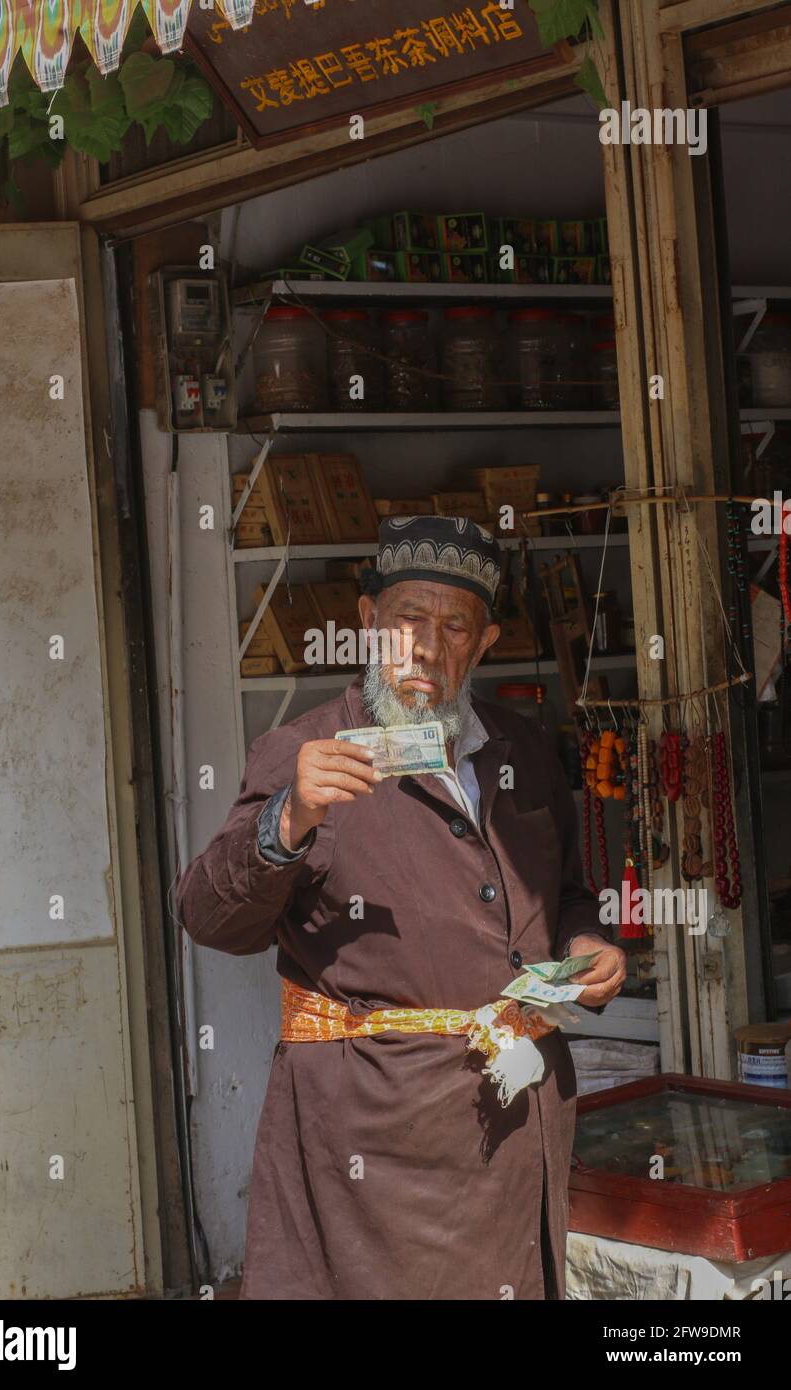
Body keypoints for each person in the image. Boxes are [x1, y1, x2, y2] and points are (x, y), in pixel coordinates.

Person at [178, 514, 626, 1300]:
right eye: (407, 620)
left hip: (516, 1116)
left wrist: (591, 944)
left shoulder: (520, 749)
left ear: (484, 643)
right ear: (367, 623)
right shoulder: (307, 751)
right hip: (376, 1144)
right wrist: (286, 819)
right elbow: (209, 919)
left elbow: (565, 895)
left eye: (455, 626)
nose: (426, 646)